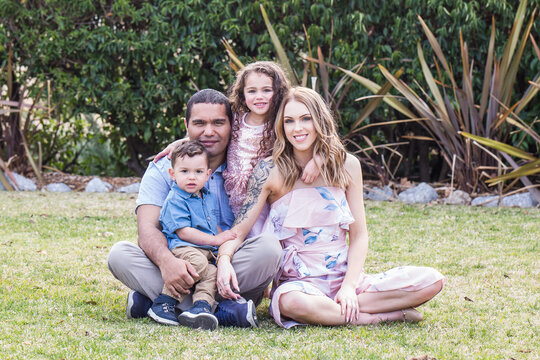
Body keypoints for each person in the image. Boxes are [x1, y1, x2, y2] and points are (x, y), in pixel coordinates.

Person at [215, 87, 445, 328]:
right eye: (289, 121)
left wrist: (347, 287)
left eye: (306, 119)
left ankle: (340, 306)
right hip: (299, 285)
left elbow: (359, 236)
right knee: (289, 303)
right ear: (281, 127)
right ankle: (386, 316)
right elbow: (238, 232)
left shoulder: (347, 165)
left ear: (320, 121)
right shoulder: (268, 170)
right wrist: (224, 260)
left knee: (432, 281)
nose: (298, 128)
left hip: (345, 278)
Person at [107, 89, 282, 328]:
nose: (208, 132)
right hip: (180, 261)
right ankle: (225, 311)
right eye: (199, 123)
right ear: (186, 124)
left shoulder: (246, 166)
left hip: (229, 266)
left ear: (232, 126)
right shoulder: (163, 168)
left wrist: (224, 262)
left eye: (218, 123)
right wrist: (167, 263)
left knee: (269, 249)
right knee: (120, 254)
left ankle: (161, 303)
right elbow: (147, 229)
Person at [147, 140, 237, 330]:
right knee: (197, 264)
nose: (191, 177)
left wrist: (224, 236)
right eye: (184, 171)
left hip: (205, 249)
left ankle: (201, 306)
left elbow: (211, 225)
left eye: (198, 172)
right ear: (173, 174)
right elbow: (184, 232)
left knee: (212, 273)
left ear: (207, 174)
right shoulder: (175, 198)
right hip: (183, 247)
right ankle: (164, 302)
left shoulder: (206, 196)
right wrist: (215, 240)